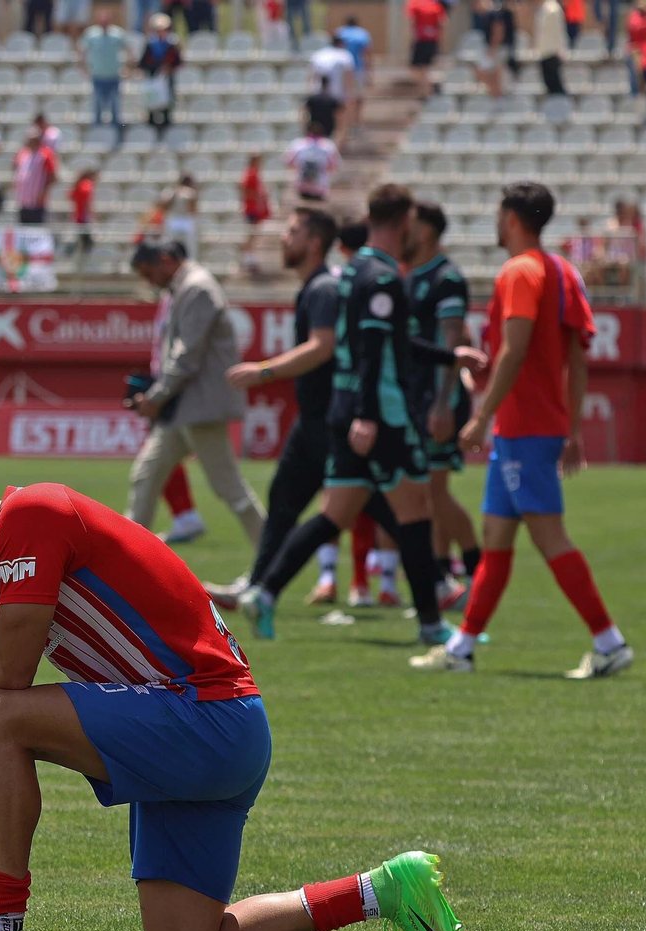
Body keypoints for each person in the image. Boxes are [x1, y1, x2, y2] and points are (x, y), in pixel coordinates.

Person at [0, 454, 462, 931]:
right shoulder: (13, 560)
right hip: (217, 728)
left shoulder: (33, 514)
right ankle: (381, 889)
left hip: (203, 718)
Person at [237, 185, 485, 644]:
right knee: (414, 512)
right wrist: (370, 415)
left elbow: (391, 343)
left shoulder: (353, 272)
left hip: (346, 409)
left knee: (336, 513)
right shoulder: (383, 278)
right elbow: (374, 353)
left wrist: (449, 358)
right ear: (406, 222)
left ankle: (264, 592)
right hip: (381, 413)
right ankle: (432, 624)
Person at [413, 182, 633, 679]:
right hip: (536, 426)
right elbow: (578, 357)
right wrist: (572, 427)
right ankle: (463, 647)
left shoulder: (519, 271)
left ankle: (609, 641)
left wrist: (481, 414)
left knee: (549, 536)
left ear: (511, 218)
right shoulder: (562, 271)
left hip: (522, 427)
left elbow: (514, 348)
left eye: (498, 214)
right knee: (496, 538)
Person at [205, 207, 407, 612]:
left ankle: (439, 577)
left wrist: (264, 370)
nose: (284, 238)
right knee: (286, 501)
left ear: (315, 242)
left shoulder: (323, 290)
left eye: (293, 231)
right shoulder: (315, 287)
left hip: (331, 420)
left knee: (380, 506)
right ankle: (257, 585)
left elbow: (323, 345)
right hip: (316, 421)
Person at [125, 240, 265, 548]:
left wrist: (156, 397)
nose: (149, 282)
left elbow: (186, 356)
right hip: (183, 408)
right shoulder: (184, 288)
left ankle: (272, 559)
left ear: (165, 260)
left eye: (149, 273)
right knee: (146, 477)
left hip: (200, 408)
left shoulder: (197, 288)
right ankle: (127, 558)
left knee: (230, 489)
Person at [403, 201, 480, 598]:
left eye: (411, 224)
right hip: (420, 399)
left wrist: (443, 404)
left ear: (428, 231)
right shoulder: (415, 276)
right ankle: (442, 581)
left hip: (439, 401)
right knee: (426, 495)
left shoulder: (447, 278)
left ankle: (476, 573)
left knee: (434, 493)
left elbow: (454, 344)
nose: (405, 230)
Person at [81, 8, 127, 144]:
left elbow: (129, 51)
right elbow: (82, 51)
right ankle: (97, 137)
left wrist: (129, 69)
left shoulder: (117, 34)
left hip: (113, 76)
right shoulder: (91, 34)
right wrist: (84, 68)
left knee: (115, 107)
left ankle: (116, 137)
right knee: (97, 107)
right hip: (98, 76)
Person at [136, 14, 179, 132]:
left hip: (167, 77)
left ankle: (166, 126)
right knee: (152, 103)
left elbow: (178, 61)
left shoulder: (172, 43)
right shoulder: (150, 43)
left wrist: (169, 67)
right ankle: (151, 126)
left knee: (167, 103)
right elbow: (143, 62)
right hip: (153, 77)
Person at [284, 120, 340, 204]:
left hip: (301, 186)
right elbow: (334, 165)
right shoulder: (328, 146)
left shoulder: (298, 144)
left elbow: (288, 162)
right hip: (320, 186)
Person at [12, 125, 56, 225]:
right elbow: (16, 169)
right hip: (23, 199)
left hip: (37, 201)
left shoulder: (45, 154)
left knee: (36, 229)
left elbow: (52, 176)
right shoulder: (23, 153)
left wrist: (43, 191)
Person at [334, 16, 370, 127]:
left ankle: (344, 122)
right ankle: (356, 121)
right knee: (358, 97)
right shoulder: (362, 33)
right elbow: (366, 54)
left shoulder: (339, 32)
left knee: (344, 98)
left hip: (342, 71)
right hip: (358, 69)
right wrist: (369, 72)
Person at [406, 0, 445, 98]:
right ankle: (427, 90)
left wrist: (411, 40)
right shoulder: (436, 5)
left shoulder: (414, 4)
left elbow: (412, 22)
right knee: (425, 68)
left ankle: (426, 91)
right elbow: (442, 23)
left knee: (418, 68)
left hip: (421, 40)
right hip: (432, 40)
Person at [536, 0, 568, 95]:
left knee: (555, 85)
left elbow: (559, 32)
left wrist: (561, 50)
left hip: (552, 52)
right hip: (544, 52)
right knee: (549, 85)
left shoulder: (552, 9)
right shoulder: (544, 9)